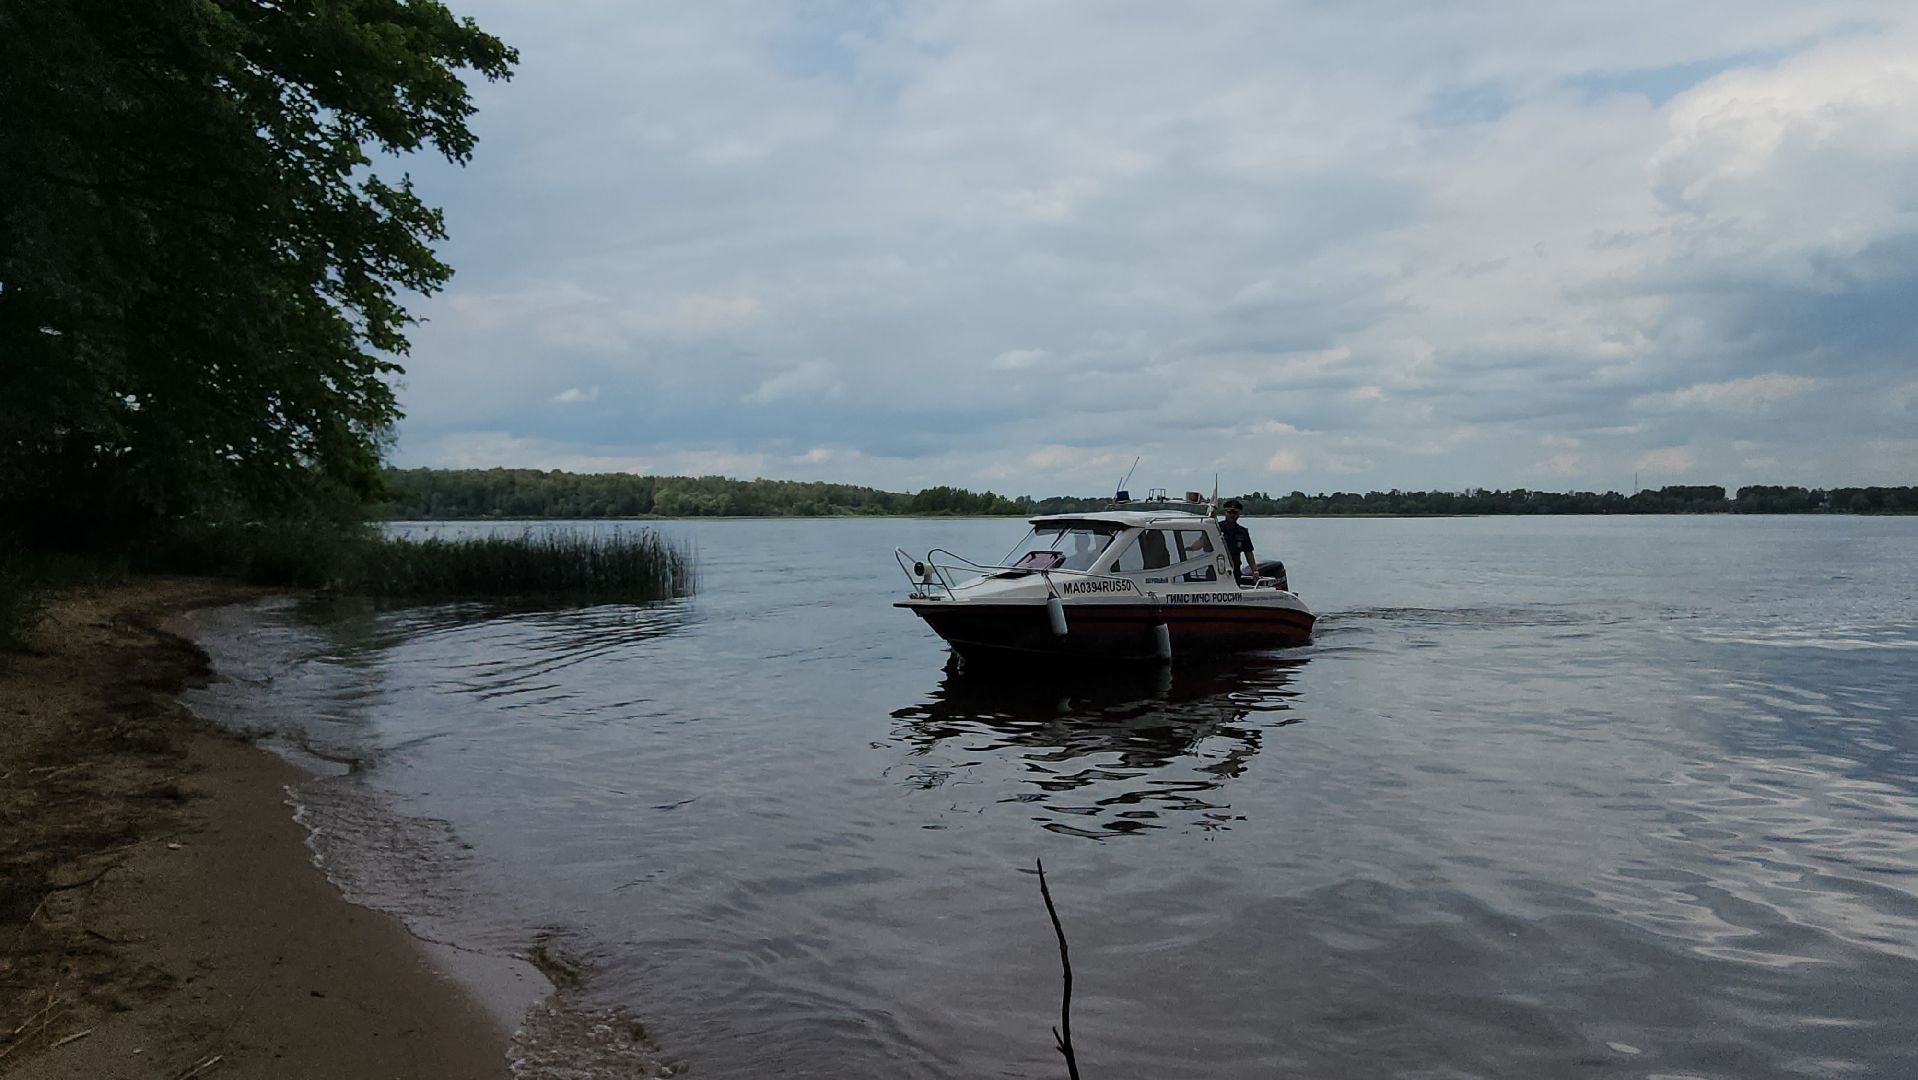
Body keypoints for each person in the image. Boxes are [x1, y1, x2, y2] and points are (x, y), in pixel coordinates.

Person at [1217, 499, 1258, 584]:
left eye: (1235, 513)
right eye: (1229, 512)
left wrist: (1254, 571)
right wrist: (1190, 548)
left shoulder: (1242, 532)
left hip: (1234, 570)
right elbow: (1202, 544)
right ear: (1225, 512)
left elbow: (1248, 552)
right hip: (1216, 569)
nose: (1232, 515)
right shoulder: (1216, 528)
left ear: (1239, 513)